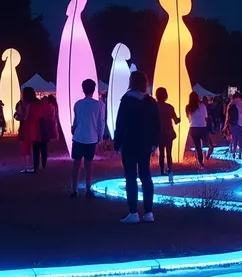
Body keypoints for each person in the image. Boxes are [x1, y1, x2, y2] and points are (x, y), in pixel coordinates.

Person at [115, 70, 160, 223]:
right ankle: (149, 212)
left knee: (130, 177)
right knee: (146, 175)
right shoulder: (151, 101)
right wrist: (154, 142)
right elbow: (156, 124)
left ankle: (133, 212)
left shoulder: (127, 100)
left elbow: (121, 123)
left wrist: (117, 143)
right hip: (145, 143)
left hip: (129, 142)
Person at [70, 78, 105, 197]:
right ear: (94, 89)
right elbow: (101, 123)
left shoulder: (78, 104)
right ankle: (88, 188)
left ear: (83, 89)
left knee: (76, 164)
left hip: (78, 137)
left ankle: (74, 189)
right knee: (88, 164)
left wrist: (73, 130)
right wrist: (99, 137)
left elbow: (76, 121)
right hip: (92, 138)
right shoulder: (99, 105)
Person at [16, 87, 43, 173]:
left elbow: (22, 116)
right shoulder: (38, 103)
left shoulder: (24, 104)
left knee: (25, 146)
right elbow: (40, 115)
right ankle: (36, 165)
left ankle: (27, 165)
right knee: (35, 147)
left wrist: (19, 116)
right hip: (36, 127)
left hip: (26, 127)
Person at [156, 87, 179, 180]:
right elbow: (176, 121)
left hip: (159, 133)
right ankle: (170, 169)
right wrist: (179, 120)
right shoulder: (169, 107)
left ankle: (162, 170)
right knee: (169, 153)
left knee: (161, 153)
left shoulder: (154, 107)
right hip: (169, 133)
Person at [184, 91, 208, 170]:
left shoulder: (188, 107)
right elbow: (206, 117)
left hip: (193, 128)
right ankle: (205, 158)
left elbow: (189, 119)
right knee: (207, 144)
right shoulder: (202, 106)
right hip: (202, 127)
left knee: (198, 147)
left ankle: (201, 163)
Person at [225, 92, 242, 158]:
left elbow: (227, 113)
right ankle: (240, 154)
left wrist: (226, 124)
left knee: (234, 139)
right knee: (241, 140)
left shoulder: (232, 102)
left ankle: (234, 152)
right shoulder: (241, 102)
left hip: (234, 123)